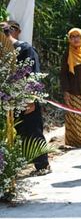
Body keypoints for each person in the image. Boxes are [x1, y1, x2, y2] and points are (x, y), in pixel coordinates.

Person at [2, 21, 51, 175]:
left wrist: (30, 99)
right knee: (15, 132)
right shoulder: (2, 51)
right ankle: (14, 168)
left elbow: (34, 74)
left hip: (27, 98)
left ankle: (42, 166)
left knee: (32, 130)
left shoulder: (25, 49)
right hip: (8, 99)